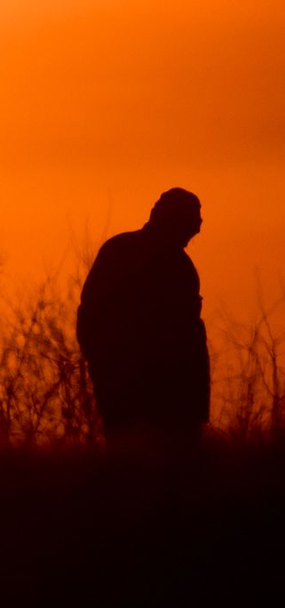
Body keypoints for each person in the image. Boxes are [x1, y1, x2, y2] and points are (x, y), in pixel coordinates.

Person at [76, 187, 209, 444]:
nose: (198, 229)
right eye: (192, 221)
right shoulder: (133, 254)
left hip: (165, 391)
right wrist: (104, 367)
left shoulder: (176, 264)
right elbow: (92, 314)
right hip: (143, 388)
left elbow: (189, 335)